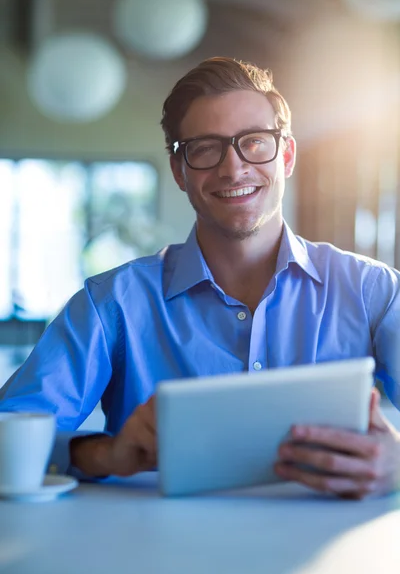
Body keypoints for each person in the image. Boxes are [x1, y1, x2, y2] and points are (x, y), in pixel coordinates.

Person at [1, 57, 400, 499]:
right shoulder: (112, 303)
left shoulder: (373, 292)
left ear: (285, 155)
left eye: (254, 142)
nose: (233, 169)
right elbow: (8, 433)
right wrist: (104, 454)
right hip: (153, 560)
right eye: (206, 148)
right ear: (178, 171)